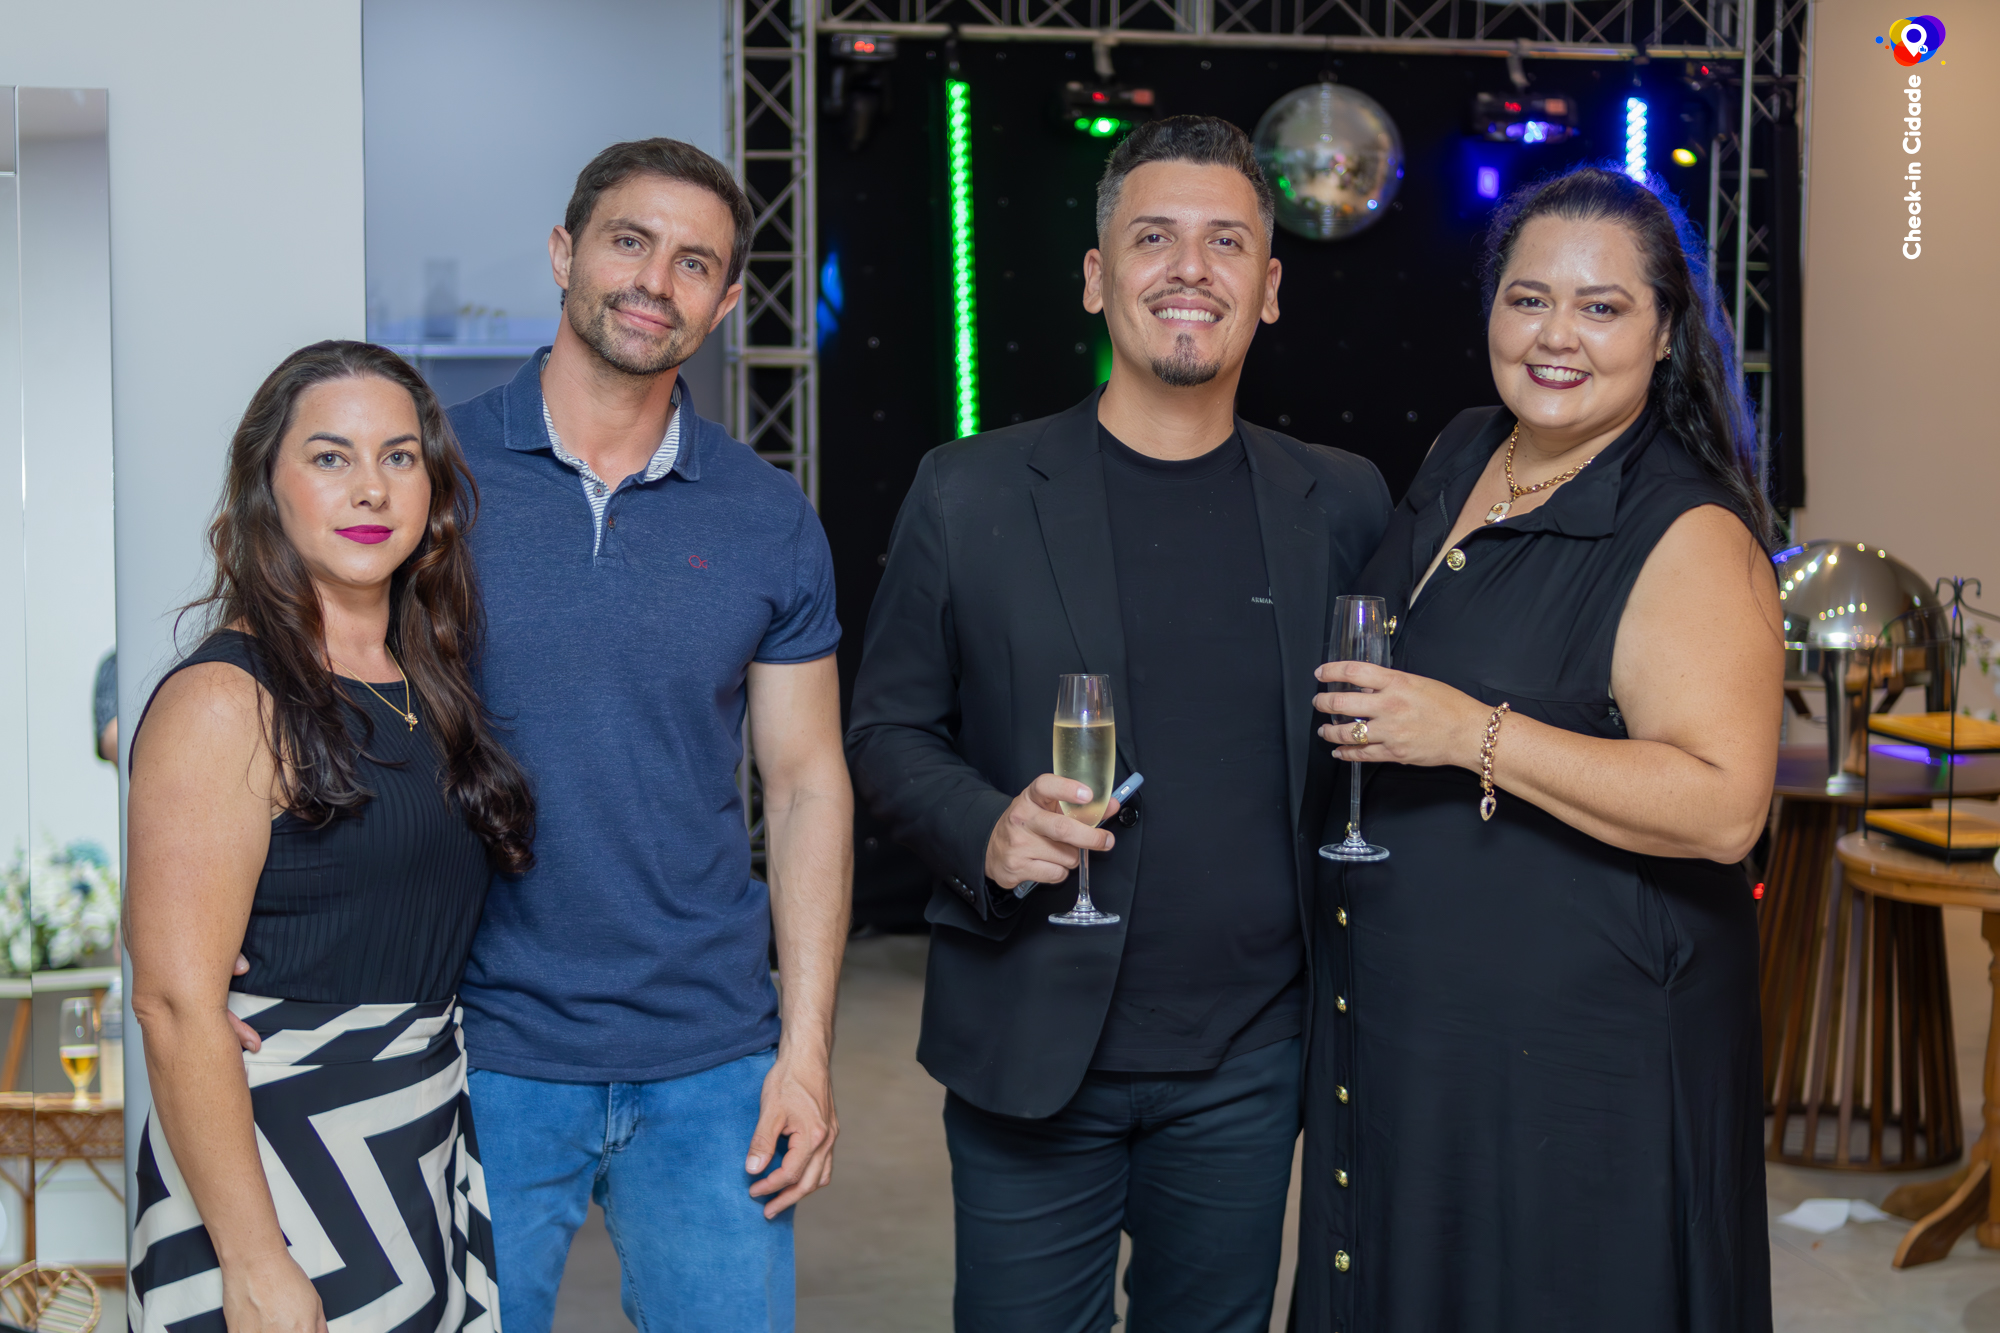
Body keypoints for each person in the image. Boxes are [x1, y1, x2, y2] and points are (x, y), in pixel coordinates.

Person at [848, 116, 1391, 1332]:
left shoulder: (1341, 500)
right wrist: (985, 828)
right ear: (1096, 278)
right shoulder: (967, 489)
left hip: (1251, 1056)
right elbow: (885, 731)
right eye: (1152, 238)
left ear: (1269, 288)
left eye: (1224, 242)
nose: (1188, 268)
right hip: (1031, 1033)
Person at [1296, 165, 1781, 1331]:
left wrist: (1468, 732)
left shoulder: (1686, 529)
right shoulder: (1467, 449)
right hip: (1426, 1033)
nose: (1555, 336)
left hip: (1578, 1057)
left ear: (1662, 333)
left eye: (1600, 307)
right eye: (1527, 299)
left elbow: (1724, 807)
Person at [447, 137, 851, 1333]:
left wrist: (805, 1050)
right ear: (564, 253)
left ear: (723, 305)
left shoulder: (768, 515)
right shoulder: (431, 476)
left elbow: (806, 782)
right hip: (480, 1044)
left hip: (710, 1056)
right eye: (629, 242)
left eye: (693, 263)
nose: (653, 281)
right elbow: (325, 720)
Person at [126, 341, 536, 1332]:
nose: (370, 488)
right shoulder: (225, 699)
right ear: (267, 485)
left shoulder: (423, 681)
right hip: (271, 1168)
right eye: (329, 456)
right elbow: (174, 1004)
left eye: (399, 456)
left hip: (413, 1139)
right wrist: (254, 1262)